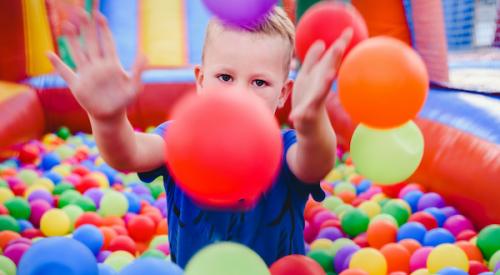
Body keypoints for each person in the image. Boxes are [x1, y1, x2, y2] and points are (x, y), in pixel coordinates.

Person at [48, 5, 352, 268]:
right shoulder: (181, 140)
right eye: (225, 77)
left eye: (259, 82)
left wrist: (312, 121)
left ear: (284, 94)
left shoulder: (286, 148)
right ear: (200, 80)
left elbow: (316, 162)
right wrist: (109, 118)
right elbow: (129, 153)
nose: (239, 94)